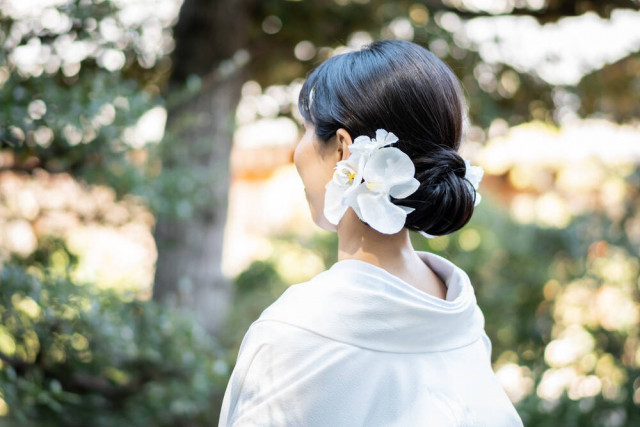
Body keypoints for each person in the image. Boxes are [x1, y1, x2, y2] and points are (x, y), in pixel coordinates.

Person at [218, 39, 524, 426]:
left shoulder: (295, 334)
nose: (296, 150)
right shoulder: (461, 321)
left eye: (306, 129)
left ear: (344, 151)